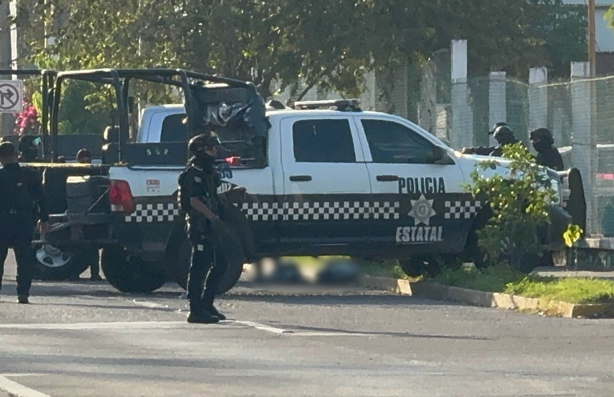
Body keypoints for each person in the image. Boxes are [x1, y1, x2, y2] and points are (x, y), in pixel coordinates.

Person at [178, 133, 229, 324]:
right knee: (199, 266)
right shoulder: (194, 173)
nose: (214, 152)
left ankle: (207, 303)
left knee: (221, 262)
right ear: (201, 151)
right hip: (200, 224)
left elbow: (211, 195)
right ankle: (195, 310)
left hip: (211, 224)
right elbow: (194, 200)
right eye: (211, 149)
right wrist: (212, 217)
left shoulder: (208, 172)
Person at [0, 142, 49, 303]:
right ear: (16, 155)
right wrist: (44, 218)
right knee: (24, 258)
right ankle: (23, 293)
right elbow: (41, 197)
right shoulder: (29, 175)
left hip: (3, 220)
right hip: (23, 220)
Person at [75, 148, 102, 281]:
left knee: (92, 246)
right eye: (82, 160)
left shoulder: (95, 173)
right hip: (77, 212)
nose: (85, 163)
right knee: (77, 245)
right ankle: (75, 272)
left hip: (92, 212)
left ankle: (95, 273)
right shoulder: (73, 174)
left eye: (87, 160)